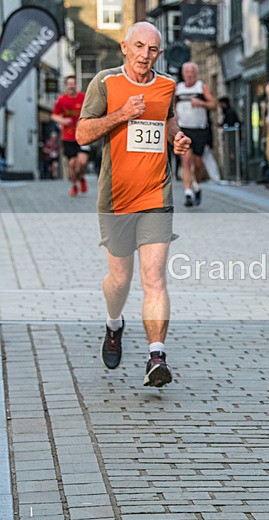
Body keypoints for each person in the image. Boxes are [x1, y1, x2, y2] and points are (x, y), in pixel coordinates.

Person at [76, 21, 192, 387]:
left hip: (157, 194)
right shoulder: (105, 83)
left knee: (154, 278)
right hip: (116, 198)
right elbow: (82, 134)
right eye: (139, 47)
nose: (145, 55)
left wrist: (177, 139)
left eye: (153, 49)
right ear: (124, 47)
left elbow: (167, 120)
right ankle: (114, 324)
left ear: (159, 53)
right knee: (120, 280)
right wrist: (122, 114)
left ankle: (156, 356)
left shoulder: (167, 85)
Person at [175, 61, 216, 207]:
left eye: (192, 72)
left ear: (196, 73)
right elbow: (172, 108)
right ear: (183, 74)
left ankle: (197, 185)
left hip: (199, 129)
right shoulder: (177, 89)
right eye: (187, 72)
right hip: (183, 129)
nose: (189, 74)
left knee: (198, 164)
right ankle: (188, 192)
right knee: (186, 161)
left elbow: (214, 104)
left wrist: (201, 103)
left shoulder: (202, 87)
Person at [52, 75, 91, 196]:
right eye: (69, 84)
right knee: (72, 164)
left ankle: (82, 177)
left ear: (76, 85)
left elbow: (92, 111)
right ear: (66, 86)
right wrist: (62, 121)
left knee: (82, 162)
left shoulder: (83, 98)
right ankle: (74, 185)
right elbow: (54, 115)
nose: (71, 86)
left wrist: (86, 121)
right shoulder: (62, 100)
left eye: (73, 83)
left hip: (83, 135)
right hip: (68, 137)